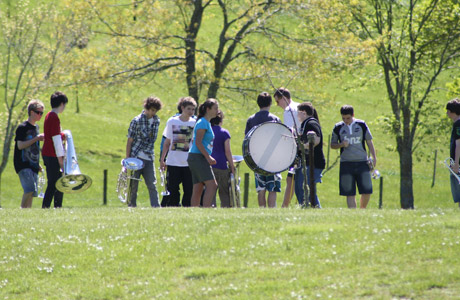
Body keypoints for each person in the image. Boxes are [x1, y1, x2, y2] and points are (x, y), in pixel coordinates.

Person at [330, 105, 377, 208]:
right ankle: (353, 213)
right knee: (349, 192)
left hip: (362, 162)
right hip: (346, 163)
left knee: (366, 190)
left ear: (353, 115)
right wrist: (341, 144)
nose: (346, 120)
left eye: (348, 118)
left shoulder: (361, 125)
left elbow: (369, 141)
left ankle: (362, 210)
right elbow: (332, 145)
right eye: (343, 118)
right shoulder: (338, 127)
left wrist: (374, 157)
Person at [245, 92, 282, 208]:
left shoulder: (251, 120)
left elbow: (247, 139)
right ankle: (271, 210)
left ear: (258, 103)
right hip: (273, 159)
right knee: (272, 188)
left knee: (261, 188)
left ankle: (262, 209)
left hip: (257, 158)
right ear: (270, 103)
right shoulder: (275, 119)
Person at [126, 96, 163, 207]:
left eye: (155, 110)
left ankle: (156, 207)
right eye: (152, 110)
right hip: (136, 156)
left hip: (149, 157)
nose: (153, 113)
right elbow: (130, 140)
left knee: (152, 184)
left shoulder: (157, 121)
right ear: (146, 108)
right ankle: (131, 206)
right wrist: (127, 159)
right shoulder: (136, 121)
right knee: (134, 184)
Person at [160, 97, 197, 207]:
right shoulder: (172, 121)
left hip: (188, 163)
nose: (191, 112)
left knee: (189, 188)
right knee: (172, 188)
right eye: (189, 109)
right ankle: (173, 207)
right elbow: (167, 142)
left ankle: (186, 208)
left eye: (193, 109)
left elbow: (195, 143)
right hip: (173, 161)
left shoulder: (194, 123)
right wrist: (163, 159)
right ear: (182, 108)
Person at [274, 87, 303, 207]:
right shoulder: (300, 106)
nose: (277, 104)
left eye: (277, 101)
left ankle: (285, 205)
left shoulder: (288, 110)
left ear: (284, 98)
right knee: (296, 177)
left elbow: (289, 132)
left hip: (295, 147)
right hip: (304, 144)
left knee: (291, 177)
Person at [187, 98, 219, 207]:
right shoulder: (202, 123)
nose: (217, 111)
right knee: (212, 185)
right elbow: (198, 142)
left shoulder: (206, 123)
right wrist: (208, 157)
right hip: (198, 157)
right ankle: (207, 210)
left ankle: (194, 211)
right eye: (215, 108)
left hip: (196, 157)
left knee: (198, 187)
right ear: (208, 109)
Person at [14, 100, 45, 208]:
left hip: (33, 164)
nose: (40, 115)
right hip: (23, 163)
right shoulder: (22, 127)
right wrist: (37, 138)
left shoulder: (36, 128)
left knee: (33, 192)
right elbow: (20, 145)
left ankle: (28, 213)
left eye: (42, 113)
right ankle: (22, 210)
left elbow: (34, 147)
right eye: (38, 112)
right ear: (31, 112)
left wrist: (38, 164)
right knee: (29, 189)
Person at [295, 102, 325, 207]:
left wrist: (302, 147)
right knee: (301, 188)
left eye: (298, 112)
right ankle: (305, 207)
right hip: (306, 162)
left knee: (306, 189)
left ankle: (314, 208)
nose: (297, 115)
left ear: (303, 112)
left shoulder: (311, 123)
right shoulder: (305, 124)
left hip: (313, 162)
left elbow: (316, 140)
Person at [42, 91, 68, 208]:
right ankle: (46, 206)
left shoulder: (48, 115)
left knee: (56, 182)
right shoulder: (54, 117)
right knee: (54, 183)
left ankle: (57, 206)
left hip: (47, 153)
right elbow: (56, 141)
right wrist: (61, 160)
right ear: (61, 104)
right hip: (52, 154)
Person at [210, 110, 235, 208]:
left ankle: (211, 208)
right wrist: (232, 166)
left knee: (210, 191)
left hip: (209, 165)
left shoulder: (207, 131)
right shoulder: (224, 133)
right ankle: (226, 208)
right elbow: (227, 151)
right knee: (224, 191)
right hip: (221, 165)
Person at [446, 98, 460, 207]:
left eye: (448, 111)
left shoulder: (458, 125)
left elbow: (459, 145)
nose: (447, 113)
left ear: (452, 111)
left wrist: (456, 164)